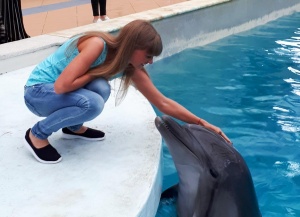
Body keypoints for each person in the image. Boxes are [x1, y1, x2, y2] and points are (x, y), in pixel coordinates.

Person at [24, 19, 231, 164]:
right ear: (133, 46)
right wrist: (98, 72)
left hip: (56, 94)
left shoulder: (129, 66)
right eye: (148, 55)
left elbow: (163, 103)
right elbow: (61, 86)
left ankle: (72, 127)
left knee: (101, 88)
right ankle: (37, 134)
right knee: (92, 102)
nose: (150, 61)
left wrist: (201, 122)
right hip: (38, 93)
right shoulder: (97, 45)